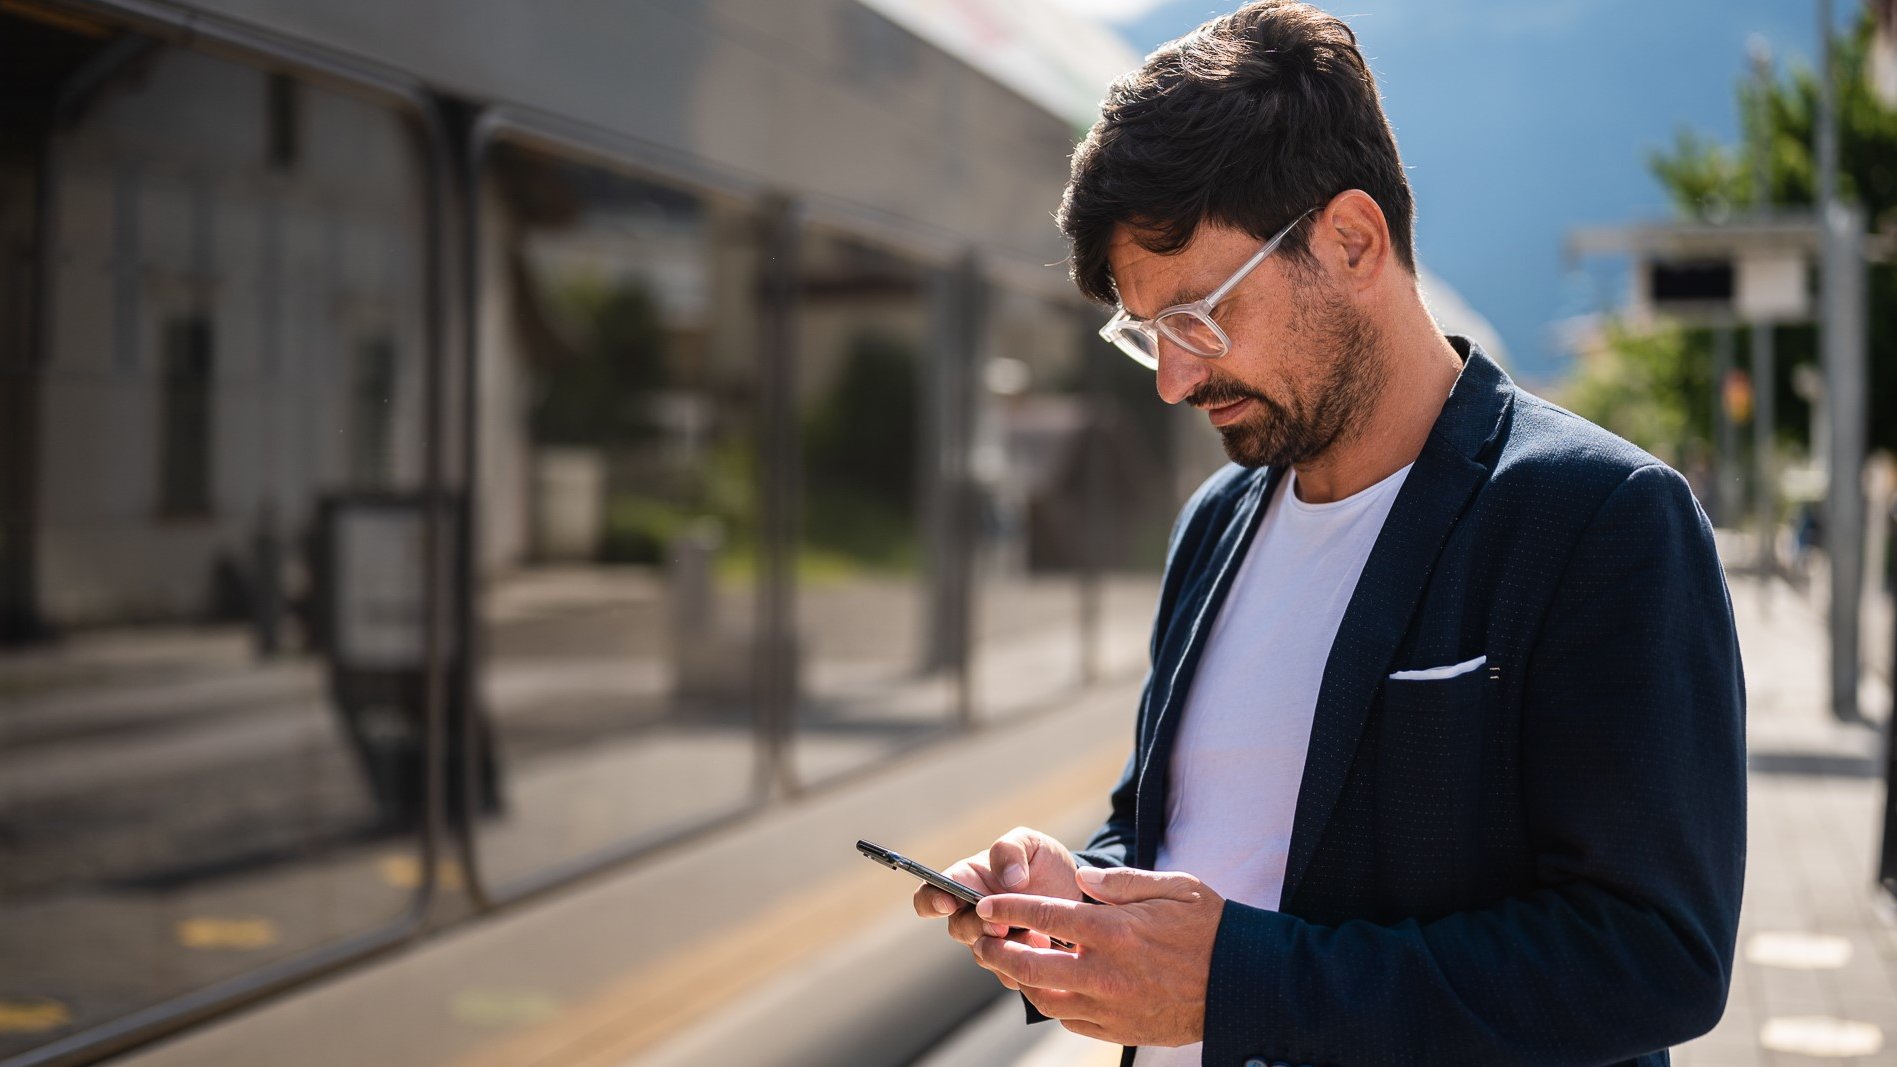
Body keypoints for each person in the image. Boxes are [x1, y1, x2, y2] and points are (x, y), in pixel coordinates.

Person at [912, 3, 1746, 1065]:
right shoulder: (1213, 525)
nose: (1173, 378)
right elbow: (1173, 830)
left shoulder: (1600, 519)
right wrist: (1076, 896)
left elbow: (1653, 954)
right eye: (1145, 335)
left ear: (1350, 239)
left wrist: (1238, 984)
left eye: (1197, 317)